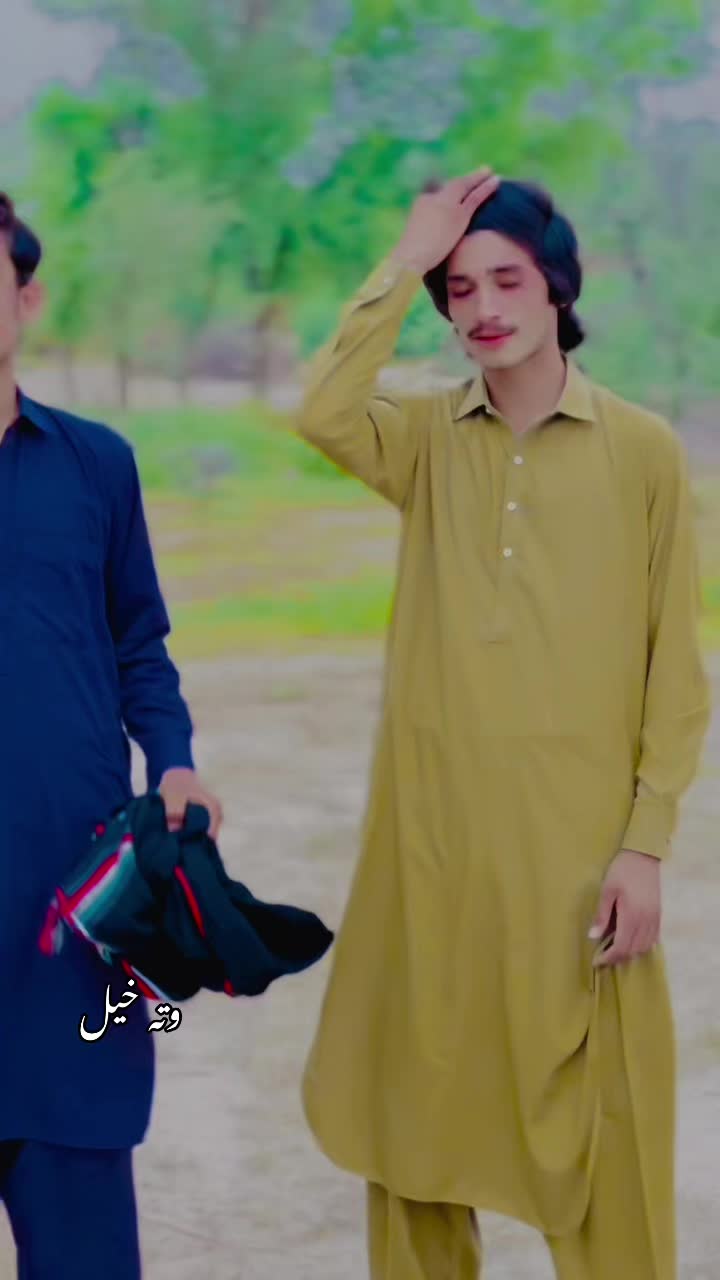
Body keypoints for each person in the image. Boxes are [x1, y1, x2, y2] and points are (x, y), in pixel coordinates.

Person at [296, 169, 712, 1279]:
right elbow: (323, 410)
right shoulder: (426, 438)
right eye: (460, 287)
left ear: (557, 285)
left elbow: (675, 669)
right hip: (432, 858)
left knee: (608, 1145)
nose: (482, 307)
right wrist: (409, 253)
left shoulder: (642, 450)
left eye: (507, 279)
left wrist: (644, 842)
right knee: (417, 1131)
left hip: (578, 865)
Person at [0, 192, 223, 1278]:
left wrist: (174, 761)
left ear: (26, 298)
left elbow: (140, 641)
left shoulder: (96, 463)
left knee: (83, 1239)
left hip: (71, 909)